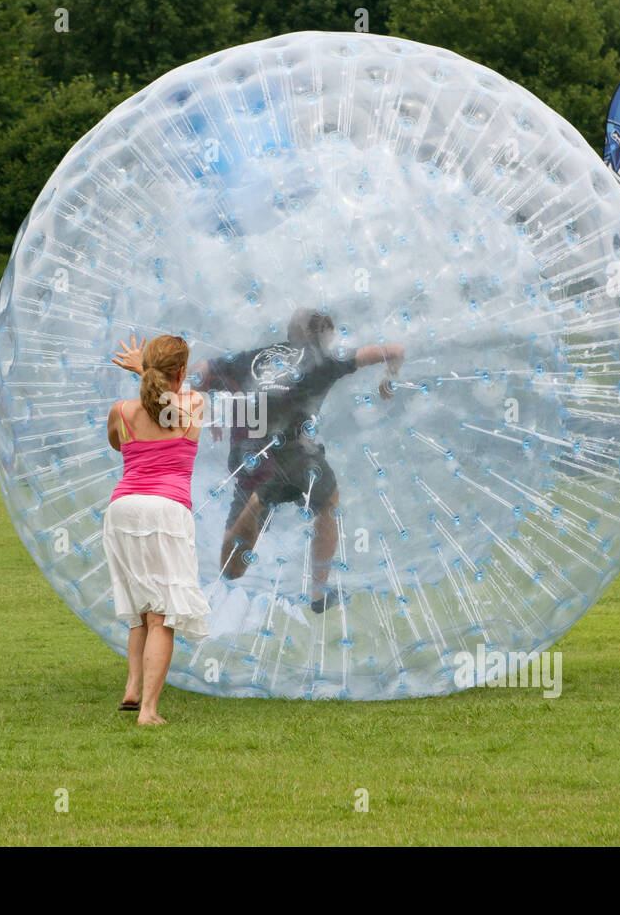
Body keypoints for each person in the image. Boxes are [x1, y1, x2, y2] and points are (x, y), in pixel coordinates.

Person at [188, 309, 404, 613]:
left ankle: (256, 503)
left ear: (291, 333)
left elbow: (198, 371)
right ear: (325, 337)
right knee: (328, 501)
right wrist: (388, 378)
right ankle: (318, 594)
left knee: (233, 570)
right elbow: (393, 350)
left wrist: (206, 410)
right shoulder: (326, 359)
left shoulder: (252, 358)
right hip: (299, 457)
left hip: (251, 459)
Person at [104, 334, 209, 725]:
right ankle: (148, 710)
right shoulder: (193, 405)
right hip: (165, 510)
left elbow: (118, 445)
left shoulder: (121, 411)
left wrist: (142, 373)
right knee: (162, 615)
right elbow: (170, 408)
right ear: (181, 372)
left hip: (123, 510)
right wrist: (147, 372)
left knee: (140, 609)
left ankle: (132, 690)